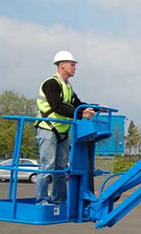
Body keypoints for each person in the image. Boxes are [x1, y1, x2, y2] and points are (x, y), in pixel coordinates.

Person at [35, 50, 95, 205]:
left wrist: (92, 109)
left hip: (62, 130)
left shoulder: (67, 86)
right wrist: (81, 115)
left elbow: (77, 104)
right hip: (48, 129)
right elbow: (57, 106)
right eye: (72, 65)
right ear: (62, 65)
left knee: (61, 167)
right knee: (47, 165)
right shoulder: (51, 83)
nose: (75, 68)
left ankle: (59, 199)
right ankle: (41, 200)